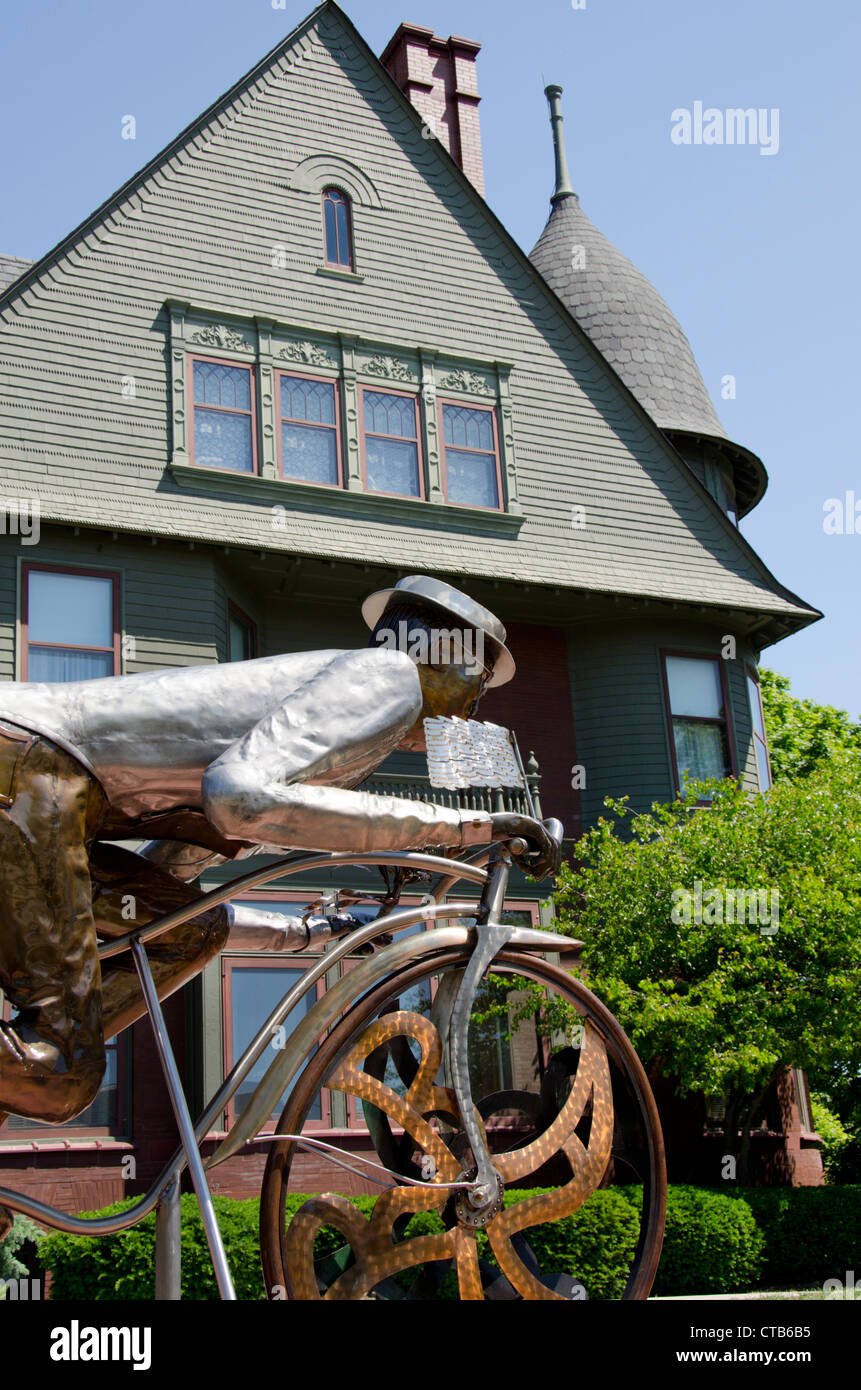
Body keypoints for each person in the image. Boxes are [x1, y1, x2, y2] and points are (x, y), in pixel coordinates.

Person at [0, 575, 558, 1146]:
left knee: (189, 935)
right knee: (57, 1068)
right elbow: (237, 797)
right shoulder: (388, 675)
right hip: (31, 766)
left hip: (40, 782)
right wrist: (470, 827)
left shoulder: (331, 723)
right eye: (480, 680)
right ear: (448, 658)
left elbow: (174, 888)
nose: (474, 707)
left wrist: (310, 929)